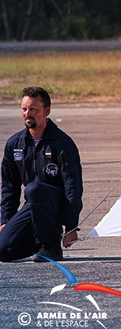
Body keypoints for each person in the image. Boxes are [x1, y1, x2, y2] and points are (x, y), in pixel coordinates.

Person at [0, 87, 82, 262]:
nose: (27, 114)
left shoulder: (63, 143)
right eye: (24, 109)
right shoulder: (15, 143)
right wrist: (5, 221)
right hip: (33, 205)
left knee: (34, 189)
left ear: (47, 111)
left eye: (33, 109)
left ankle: (51, 245)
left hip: (56, 207)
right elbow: (9, 187)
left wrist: (71, 226)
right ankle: (39, 245)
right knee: (3, 250)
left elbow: (73, 187)